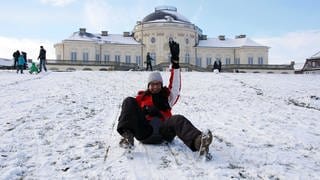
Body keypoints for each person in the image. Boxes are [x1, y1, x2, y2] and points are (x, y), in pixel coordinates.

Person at [117, 40, 213, 158]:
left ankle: (198, 142)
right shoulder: (141, 98)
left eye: (158, 84)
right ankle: (127, 137)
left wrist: (175, 63)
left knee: (177, 119)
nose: (155, 86)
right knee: (128, 101)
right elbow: (131, 111)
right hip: (145, 131)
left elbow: (176, 85)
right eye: (152, 84)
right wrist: (144, 111)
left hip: (164, 131)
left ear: (161, 85)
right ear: (148, 86)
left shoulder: (167, 97)